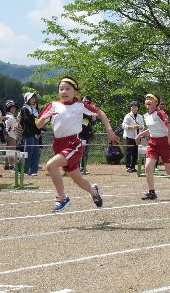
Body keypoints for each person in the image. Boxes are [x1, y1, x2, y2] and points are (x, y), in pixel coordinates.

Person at [36, 76, 118, 212]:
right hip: (58, 144)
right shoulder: (52, 105)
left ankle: (62, 198)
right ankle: (94, 192)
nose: (64, 91)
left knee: (51, 165)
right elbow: (39, 125)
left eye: (68, 89)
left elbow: (101, 113)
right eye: (61, 89)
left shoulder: (80, 105)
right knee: (77, 179)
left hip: (73, 144)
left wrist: (109, 131)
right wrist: (44, 118)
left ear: (75, 91)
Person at [135, 93, 170, 200]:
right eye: (146, 99)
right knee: (148, 167)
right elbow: (152, 128)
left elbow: (169, 126)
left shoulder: (160, 113)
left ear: (156, 102)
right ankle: (152, 192)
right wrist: (140, 134)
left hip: (164, 142)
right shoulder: (145, 115)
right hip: (153, 143)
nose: (148, 100)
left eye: (151, 99)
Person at [18, 92, 42, 177]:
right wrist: (36, 119)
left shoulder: (36, 109)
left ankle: (33, 171)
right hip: (28, 134)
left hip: (36, 134)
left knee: (36, 153)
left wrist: (38, 132)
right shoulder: (25, 109)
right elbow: (28, 120)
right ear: (27, 99)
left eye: (34, 98)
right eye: (31, 98)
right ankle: (23, 170)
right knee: (28, 152)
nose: (33, 99)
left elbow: (40, 121)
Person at [122, 101, 144, 173]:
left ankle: (133, 166)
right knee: (129, 152)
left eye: (136, 106)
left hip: (137, 136)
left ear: (138, 108)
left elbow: (142, 126)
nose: (134, 108)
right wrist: (132, 127)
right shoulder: (128, 116)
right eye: (133, 106)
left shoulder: (140, 116)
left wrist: (139, 127)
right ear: (130, 108)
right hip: (129, 136)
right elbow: (124, 125)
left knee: (135, 152)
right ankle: (128, 167)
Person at [79, 95, 97, 175]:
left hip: (88, 133)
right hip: (80, 133)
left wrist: (93, 109)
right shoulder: (79, 108)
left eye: (87, 100)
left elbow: (94, 119)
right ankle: (78, 168)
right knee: (80, 151)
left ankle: (84, 167)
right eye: (84, 100)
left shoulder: (91, 110)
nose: (86, 101)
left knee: (86, 152)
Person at [3, 100, 19, 171]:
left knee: (7, 150)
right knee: (12, 151)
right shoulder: (11, 117)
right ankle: (12, 165)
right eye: (12, 107)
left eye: (14, 107)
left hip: (6, 135)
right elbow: (15, 128)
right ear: (8, 108)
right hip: (11, 135)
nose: (14, 108)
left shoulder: (7, 116)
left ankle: (6, 165)